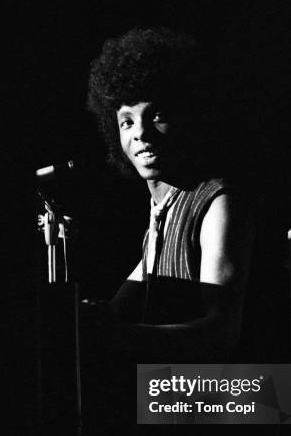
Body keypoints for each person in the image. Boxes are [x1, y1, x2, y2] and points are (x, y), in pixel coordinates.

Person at [86, 26, 255, 363]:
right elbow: (113, 313)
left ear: (191, 116)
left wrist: (114, 336)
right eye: (127, 122)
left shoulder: (218, 203)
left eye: (157, 116)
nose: (141, 134)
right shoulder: (161, 210)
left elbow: (222, 333)